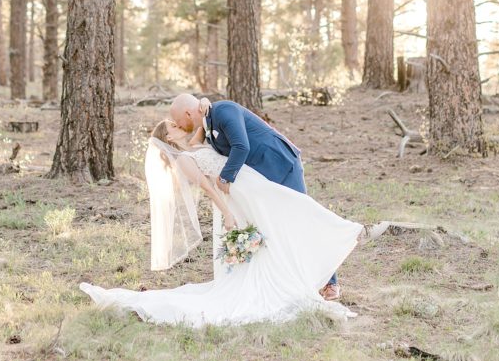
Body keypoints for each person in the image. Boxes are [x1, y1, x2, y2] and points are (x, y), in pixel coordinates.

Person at [78, 118, 389, 327]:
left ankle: (344, 234)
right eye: (173, 127)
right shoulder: (185, 160)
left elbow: (202, 118)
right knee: (288, 211)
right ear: (167, 137)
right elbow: (208, 187)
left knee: (291, 209)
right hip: (237, 197)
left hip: (248, 186)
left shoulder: (194, 146)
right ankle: (349, 233)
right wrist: (227, 214)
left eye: (177, 123)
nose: (179, 127)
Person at [169, 94, 343, 300]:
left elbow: (241, 146)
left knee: (302, 221)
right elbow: (197, 141)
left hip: (282, 165)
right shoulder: (207, 124)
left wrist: (225, 178)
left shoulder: (224, 110)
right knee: (277, 227)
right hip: (261, 178)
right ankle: (295, 278)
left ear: (188, 113)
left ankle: (331, 283)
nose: (178, 125)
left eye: (178, 121)